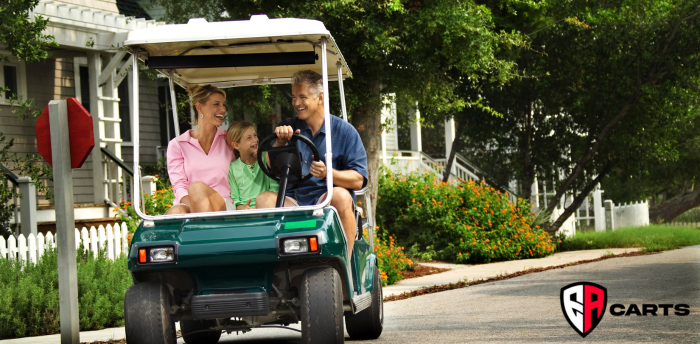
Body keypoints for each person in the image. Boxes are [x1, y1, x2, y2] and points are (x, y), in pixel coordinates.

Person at [256, 70, 368, 255]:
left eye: (302, 97)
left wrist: (328, 174)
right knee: (264, 199)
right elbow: (271, 167)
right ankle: (273, 266)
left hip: (326, 200)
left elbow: (358, 180)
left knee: (340, 196)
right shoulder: (289, 127)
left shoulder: (344, 131)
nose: (296, 103)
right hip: (294, 200)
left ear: (320, 98)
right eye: (294, 97)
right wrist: (280, 142)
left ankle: (345, 265)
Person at [166, 84, 235, 214]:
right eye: (216, 104)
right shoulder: (178, 144)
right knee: (175, 212)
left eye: (223, 104)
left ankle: (204, 230)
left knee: (197, 187)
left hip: (222, 204)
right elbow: (179, 186)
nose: (223, 109)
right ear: (199, 107)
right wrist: (198, 205)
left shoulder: (229, 139)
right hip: (190, 204)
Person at [226, 121, 279, 210]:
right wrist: (242, 208)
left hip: (267, 207)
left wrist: (260, 206)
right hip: (245, 214)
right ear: (236, 145)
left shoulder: (266, 158)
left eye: (255, 135)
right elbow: (235, 199)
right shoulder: (233, 168)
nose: (255, 140)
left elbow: (274, 188)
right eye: (249, 138)